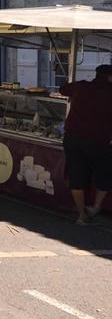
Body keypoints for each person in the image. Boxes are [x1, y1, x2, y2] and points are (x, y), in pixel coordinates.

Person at [59, 64, 112, 225]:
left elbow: (62, 89)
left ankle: (82, 215)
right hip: (98, 141)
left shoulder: (81, 86)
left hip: (73, 139)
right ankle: (96, 207)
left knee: (77, 176)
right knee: (105, 175)